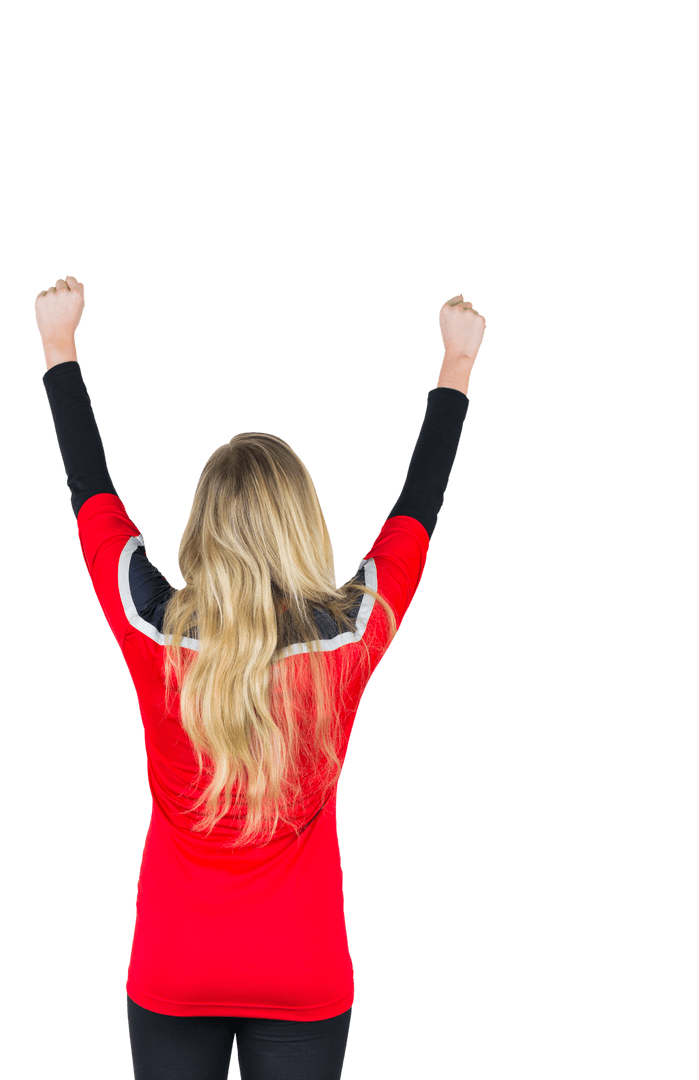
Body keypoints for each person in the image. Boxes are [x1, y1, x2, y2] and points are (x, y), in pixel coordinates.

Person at [35, 276, 487, 1080]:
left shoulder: (154, 631)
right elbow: (417, 511)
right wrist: (456, 361)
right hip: (303, 970)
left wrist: (59, 344)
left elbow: (90, 493)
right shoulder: (349, 637)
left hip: (175, 963)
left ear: (203, 528)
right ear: (302, 526)